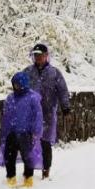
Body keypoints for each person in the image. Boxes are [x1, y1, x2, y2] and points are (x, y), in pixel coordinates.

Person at [24, 43, 71, 180]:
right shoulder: (27, 72)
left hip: (48, 113)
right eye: (35, 55)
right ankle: (29, 172)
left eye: (40, 55)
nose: (38, 58)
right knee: (29, 143)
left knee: (45, 143)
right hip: (31, 114)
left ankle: (46, 170)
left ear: (46, 56)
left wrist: (66, 108)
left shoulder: (54, 73)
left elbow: (63, 91)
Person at [0, 72, 44, 189]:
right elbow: (6, 116)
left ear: (23, 84)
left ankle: (28, 177)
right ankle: (10, 177)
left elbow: (38, 116)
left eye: (17, 84)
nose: (15, 86)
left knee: (27, 156)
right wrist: (4, 131)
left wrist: (36, 131)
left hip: (26, 133)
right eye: (14, 84)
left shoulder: (32, 98)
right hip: (11, 133)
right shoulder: (10, 98)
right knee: (9, 156)